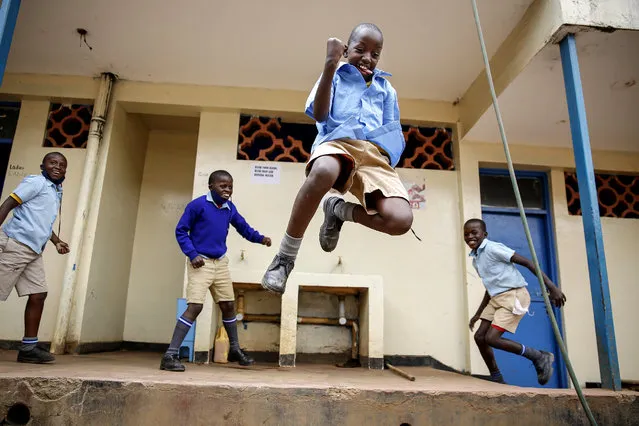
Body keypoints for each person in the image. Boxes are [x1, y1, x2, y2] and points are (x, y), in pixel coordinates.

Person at [262, 23, 412, 293]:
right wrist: (330, 64)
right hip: (339, 143)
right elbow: (319, 114)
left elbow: (393, 128)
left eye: (375, 54)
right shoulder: (336, 76)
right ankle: (284, 258)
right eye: (360, 49)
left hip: (374, 155)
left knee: (400, 221)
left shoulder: (386, 89)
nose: (367, 58)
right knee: (323, 171)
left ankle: (339, 211)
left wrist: (386, 158)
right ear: (346, 49)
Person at [160, 170, 272, 372]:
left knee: (228, 305)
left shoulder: (229, 208)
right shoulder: (198, 205)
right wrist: (192, 254)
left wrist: (261, 239)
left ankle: (235, 350)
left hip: (220, 262)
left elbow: (244, 228)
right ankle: (169, 355)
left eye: (230, 186)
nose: (227, 189)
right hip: (200, 262)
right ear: (211, 186)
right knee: (195, 307)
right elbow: (181, 231)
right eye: (223, 186)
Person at [464, 218, 567, 385]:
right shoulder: (476, 258)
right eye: (466, 234)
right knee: (480, 337)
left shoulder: (493, 248)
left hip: (514, 295)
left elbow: (527, 262)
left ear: (485, 234)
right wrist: (477, 315)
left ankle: (539, 356)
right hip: (497, 297)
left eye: (474, 233)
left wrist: (552, 287)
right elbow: (490, 287)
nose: (470, 237)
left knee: (492, 338)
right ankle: (497, 378)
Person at [0, 152, 70, 364]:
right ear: (43, 165)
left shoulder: (55, 190)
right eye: (53, 162)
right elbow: (8, 204)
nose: (57, 167)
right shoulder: (36, 182)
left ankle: (28, 349)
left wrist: (56, 241)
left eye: (62, 165)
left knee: (38, 294)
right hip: (15, 244)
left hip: (33, 251)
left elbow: (42, 224)